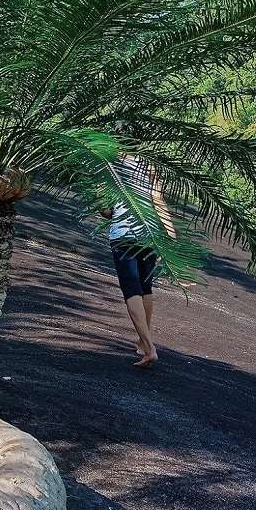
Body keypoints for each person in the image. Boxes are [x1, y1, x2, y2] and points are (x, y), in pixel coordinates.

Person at [99, 154, 175, 369]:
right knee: (145, 287)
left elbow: (106, 210)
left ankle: (150, 349)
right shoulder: (147, 164)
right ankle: (143, 342)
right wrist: (170, 235)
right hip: (148, 234)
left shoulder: (107, 163)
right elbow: (158, 200)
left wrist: (106, 210)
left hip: (123, 235)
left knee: (131, 290)